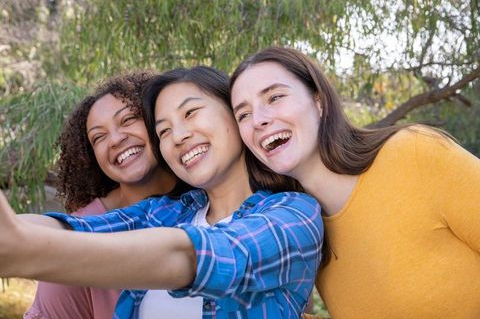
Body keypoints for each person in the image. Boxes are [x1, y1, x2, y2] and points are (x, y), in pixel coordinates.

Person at [0, 66, 324, 319]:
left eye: (190, 113)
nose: (179, 136)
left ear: (235, 113)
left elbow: (194, 256)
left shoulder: (294, 215)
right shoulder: (170, 211)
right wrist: (14, 228)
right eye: (164, 130)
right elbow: (85, 228)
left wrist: (25, 250)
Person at [229, 46, 480, 318]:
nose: (258, 120)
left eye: (275, 97)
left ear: (319, 102)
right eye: (243, 114)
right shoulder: (304, 232)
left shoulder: (415, 153)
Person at [24, 71, 179, 319]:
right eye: (99, 137)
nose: (116, 139)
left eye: (128, 119)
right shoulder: (77, 241)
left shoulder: (209, 200)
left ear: (157, 119)